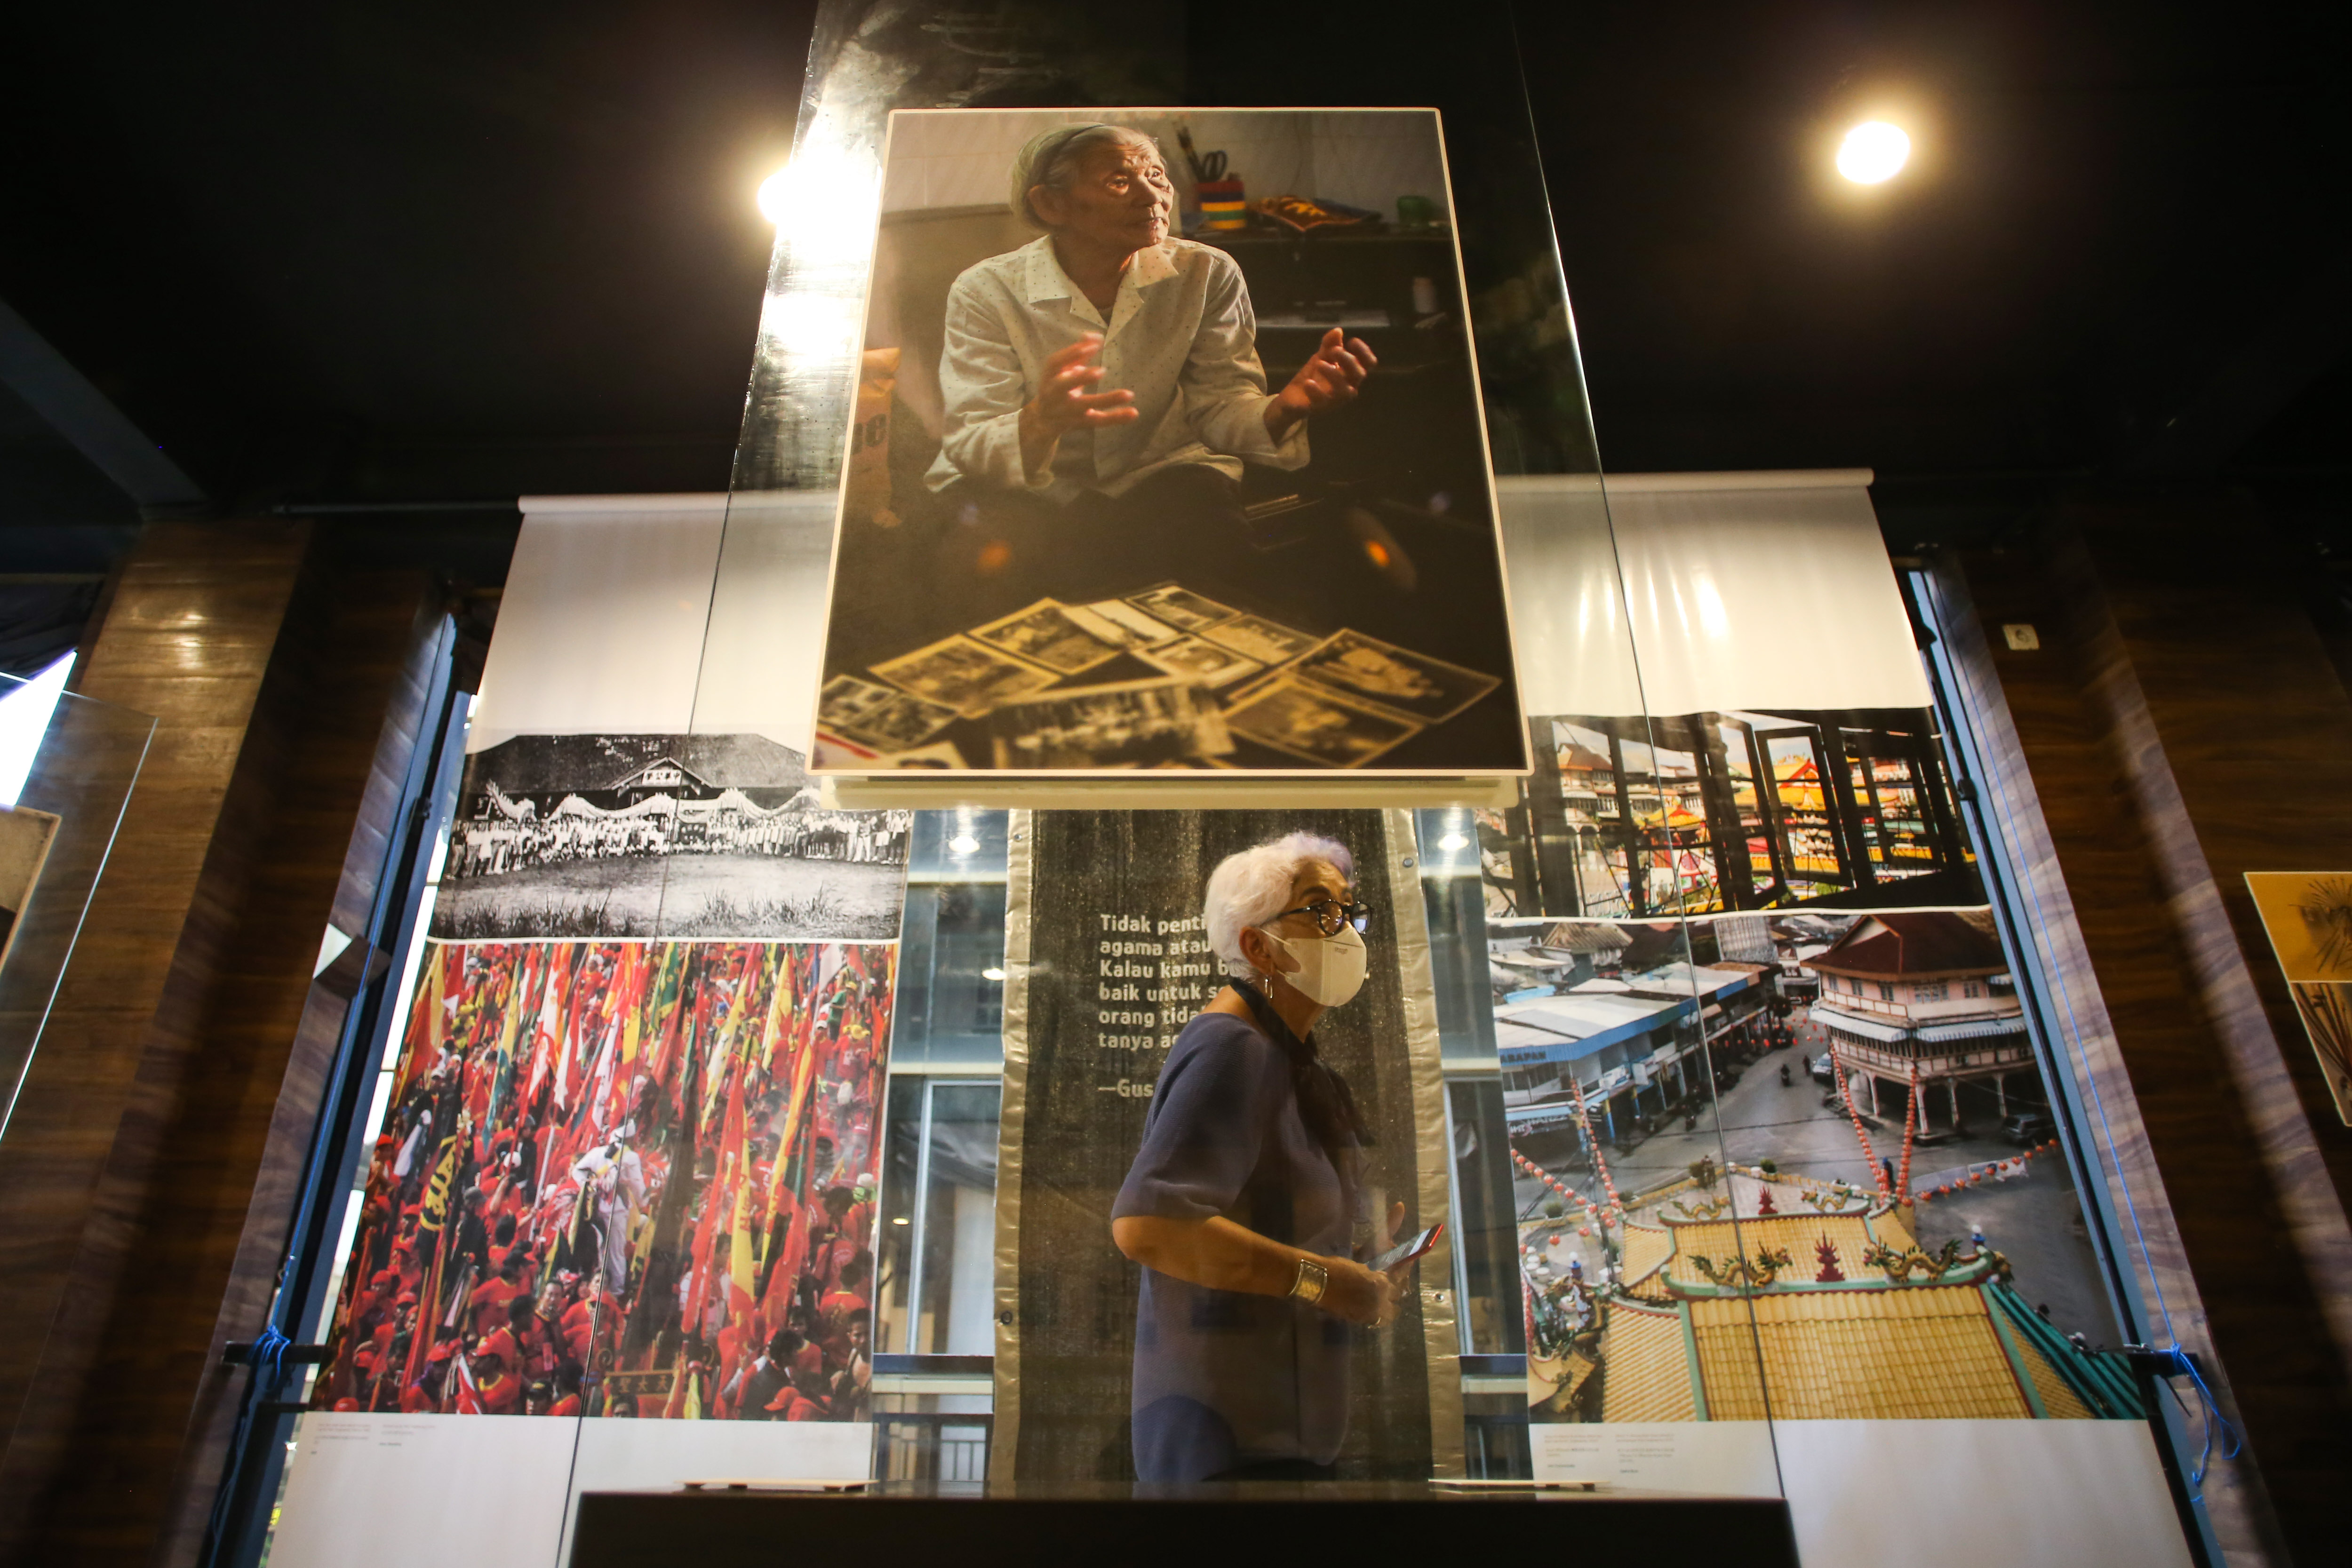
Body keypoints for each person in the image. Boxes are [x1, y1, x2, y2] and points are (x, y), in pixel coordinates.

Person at [853, 125, 1380, 654]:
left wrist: (1285, 408)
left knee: (1231, 602)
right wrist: (1043, 419)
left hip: (1162, 466)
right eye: (1118, 181)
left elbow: (1220, 408)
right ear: (1051, 204)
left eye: (1156, 175)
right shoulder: (987, 290)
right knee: (998, 612)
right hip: (1030, 484)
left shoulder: (1207, 272)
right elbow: (973, 442)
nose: (1154, 196)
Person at [1111, 831, 1413, 1483]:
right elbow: (1150, 1225)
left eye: (1349, 913)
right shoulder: (1232, 1047)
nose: (1347, 933)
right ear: (1257, 945)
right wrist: (1325, 1281)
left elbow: (1274, 1241)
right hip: (1221, 1446)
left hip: (1279, 1441)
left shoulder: (1292, 1062)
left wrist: (1360, 1271)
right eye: (1321, 911)